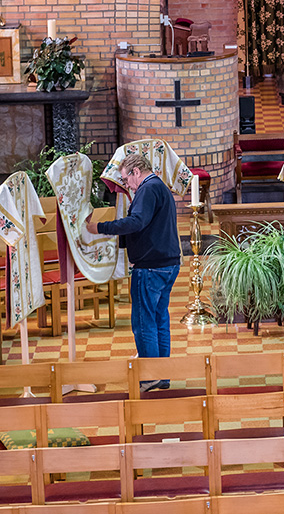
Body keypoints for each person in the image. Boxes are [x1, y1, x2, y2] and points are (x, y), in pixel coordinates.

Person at [84, 153, 180, 392]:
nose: (126, 185)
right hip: (167, 263)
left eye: (126, 179)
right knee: (159, 318)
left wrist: (99, 228)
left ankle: (149, 376)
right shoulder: (160, 187)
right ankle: (162, 374)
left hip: (150, 267)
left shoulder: (147, 189)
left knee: (143, 321)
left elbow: (136, 222)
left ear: (136, 171)